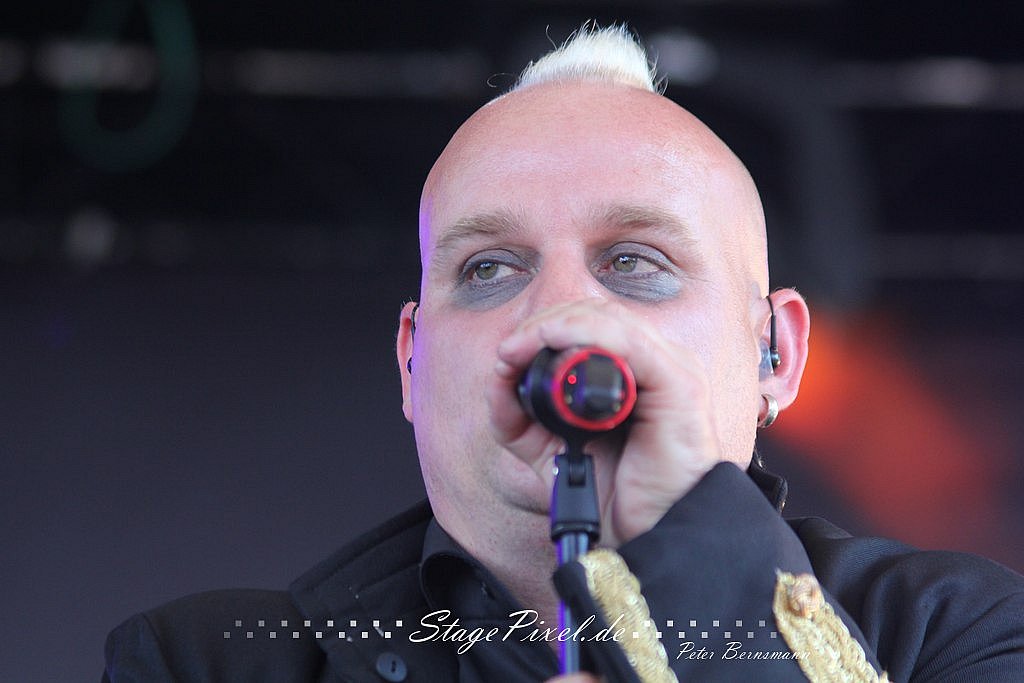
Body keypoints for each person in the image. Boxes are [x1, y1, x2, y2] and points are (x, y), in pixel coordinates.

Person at [103, 24, 1024, 683]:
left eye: (634, 263)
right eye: (489, 268)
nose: (560, 315)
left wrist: (695, 546)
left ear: (775, 353)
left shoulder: (960, 631)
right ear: (412, 363)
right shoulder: (205, 660)